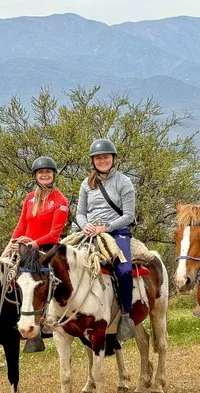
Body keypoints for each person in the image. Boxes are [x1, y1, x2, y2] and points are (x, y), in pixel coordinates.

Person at [76, 138, 137, 342]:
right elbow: (80, 213)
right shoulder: (86, 184)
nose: (102, 161)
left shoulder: (124, 182)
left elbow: (129, 215)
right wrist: (85, 225)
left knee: (124, 270)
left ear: (113, 159)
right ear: (93, 161)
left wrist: (107, 227)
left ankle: (126, 314)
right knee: (64, 262)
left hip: (116, 232)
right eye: (98, 158)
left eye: (106, 157)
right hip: (90, 232)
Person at [9, 156, 69, 352]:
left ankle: (49, 321)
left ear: (53, 175)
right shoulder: (29, 198)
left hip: (47, 250)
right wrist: (13, 242)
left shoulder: (60, 201)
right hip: (27, 249)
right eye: (41, 172)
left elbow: (55, 234)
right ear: (35, 176)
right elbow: (22, 225)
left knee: (45, 284)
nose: (44, 175)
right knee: (10, 278)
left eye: (48, 172)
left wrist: (33, 243)